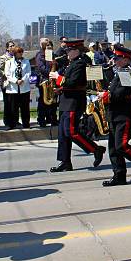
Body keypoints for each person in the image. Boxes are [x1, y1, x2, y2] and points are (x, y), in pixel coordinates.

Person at [49, 39, 106, 172]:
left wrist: (58, 77)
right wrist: (59, 89)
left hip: (74, 102)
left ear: (76, 51)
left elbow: (73, 82)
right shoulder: (72, 63)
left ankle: (95, 149)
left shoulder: (80, 63)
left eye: (69, 50)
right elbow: (68, 84)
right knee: (63, 133)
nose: (67, 53)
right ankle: (65, 161)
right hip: (65, 101)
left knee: (71, 131)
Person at [99, 46, 131, 186]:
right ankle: (119, 174)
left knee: (121, 146)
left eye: (117, 58)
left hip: (124, 115)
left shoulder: (128, 73)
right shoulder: (119, 72)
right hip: (114, 114)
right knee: (113, 148)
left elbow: (121, 93)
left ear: (125, 59)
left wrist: (106, 96)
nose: (114, 60)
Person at [4, 46, 32, 129]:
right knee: (13, 107)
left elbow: (28, 72)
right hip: (13, 88)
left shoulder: (26, 61)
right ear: (15, 54)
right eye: (19, 52)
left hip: (24, 88)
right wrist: (16, 81)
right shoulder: (9, 62)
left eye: (21, 52)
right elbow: (7, 74)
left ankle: (26, 123)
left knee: (25, 107)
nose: (20, 54)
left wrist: (23, 80)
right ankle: (12, 124)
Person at [35, 38, 57, 128]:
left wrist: (56, 72)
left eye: (50, 45)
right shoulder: (40, 55)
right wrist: (50, 73)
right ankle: (41, 119)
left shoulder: (53, 55)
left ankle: (53, 119)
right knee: (43, 101)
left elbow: (56, 66)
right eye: (47, 45)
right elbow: (41, 67)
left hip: (53, 81)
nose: (49, 46)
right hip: (44, 80)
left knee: (53, 101)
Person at [0, 40, 15, 128]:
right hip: (6, 83)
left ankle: (14, 120)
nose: (12, 47)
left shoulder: (16, 57)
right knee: (8, 103)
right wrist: (5, 74)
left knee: (14, 103)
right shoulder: (3, 58)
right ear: (7, 48)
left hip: (15, 84)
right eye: (10, 46)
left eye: (13, 46)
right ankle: (7, 121)